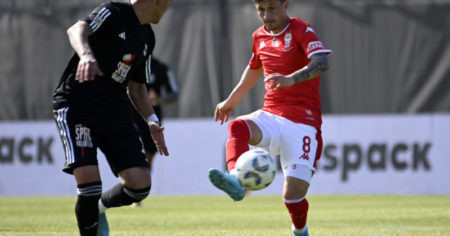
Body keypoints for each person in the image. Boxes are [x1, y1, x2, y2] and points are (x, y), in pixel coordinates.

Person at [207, 0, 331, 235]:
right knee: (238, 127)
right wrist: (231, 101)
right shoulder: (258, 37)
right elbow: (255, 67)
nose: (266, 15)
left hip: (303, 123)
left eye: (272, 8)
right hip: (272, 114)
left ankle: (300, 231)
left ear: (285, 5)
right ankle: (236, 179)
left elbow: (322, 62)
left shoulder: (301, 29)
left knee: (292, 196)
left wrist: (291, 79)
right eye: (261, 10)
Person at [52, 0, 171, 235]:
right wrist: (86, 55)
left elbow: (137, 88)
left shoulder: (148, 37)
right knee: (89, 184)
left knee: (140, 185)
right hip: (78, 105)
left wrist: (152, 120)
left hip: (115, 110)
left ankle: (97, 209)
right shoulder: (113, 11)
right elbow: (76, 29)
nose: (168, 7)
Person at [133, 57, 178, 171]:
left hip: (152, 118)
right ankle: (132, 182)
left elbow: (174, 93)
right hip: (131, 114)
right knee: (131, 151)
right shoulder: (129, 62)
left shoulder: (160, 68)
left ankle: (145, 184)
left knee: (149, 153)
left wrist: (159, 100)